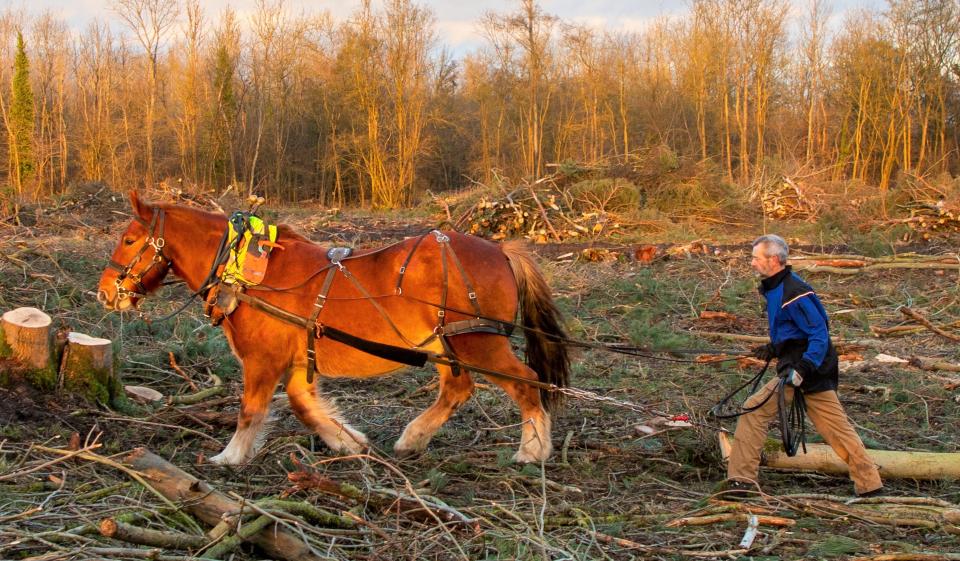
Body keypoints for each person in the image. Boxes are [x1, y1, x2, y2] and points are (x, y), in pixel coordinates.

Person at [726, 234, 883, 497]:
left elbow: (819, 334)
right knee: (836, 429)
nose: (752, 263)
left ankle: (742, 482)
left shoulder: (795, 292)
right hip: (802, 366)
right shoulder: (777, 287)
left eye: (755, 258)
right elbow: (794, 330)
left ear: (773, 260)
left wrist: (804, 367)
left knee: (753, 410)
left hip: (806, 369)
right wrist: (775, 348)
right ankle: (869, 485)